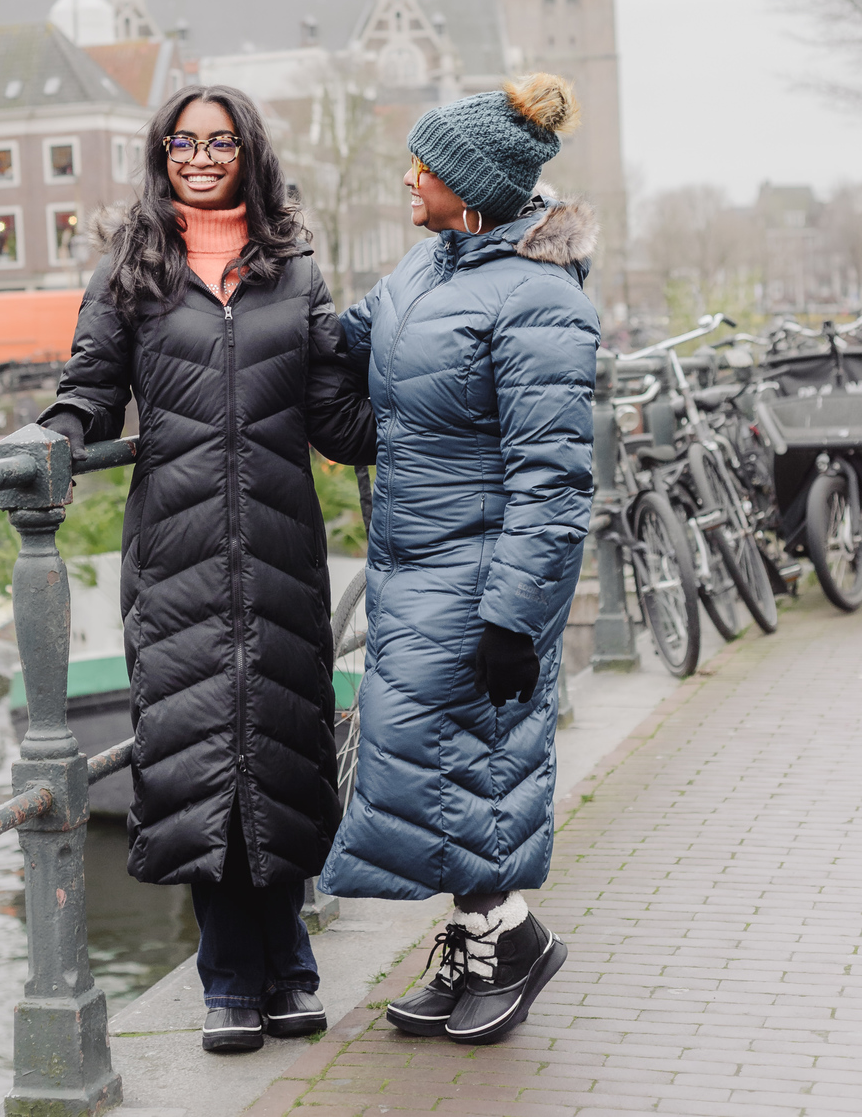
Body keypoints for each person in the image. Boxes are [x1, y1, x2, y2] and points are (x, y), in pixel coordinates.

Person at [39, 85, 375, 1056]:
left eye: (218, 140)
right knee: (196, 760)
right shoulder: (132, 269)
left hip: (276, 547)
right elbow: (91, 391)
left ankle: (291, 962)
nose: (198, 154)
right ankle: (228, 978)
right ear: (162, 151)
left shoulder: (293, 270)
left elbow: (335, 417)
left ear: (246, 151)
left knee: (282, 744)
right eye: (182, 140)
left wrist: (421, 383)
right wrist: (53, 437)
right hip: (180, 552)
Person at [319, 73, 599, 1047]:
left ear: (472, 186)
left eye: (425, 166)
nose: (408, 176)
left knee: (470, 762)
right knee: (429, 765)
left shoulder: (536, 299)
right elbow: (344, 351)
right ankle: (488, 933)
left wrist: (515, 616)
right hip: (413, 562)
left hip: (484, 578)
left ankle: (505, 942)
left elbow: (554, 476)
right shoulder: (426, 269)